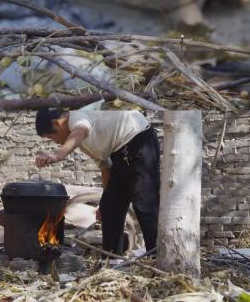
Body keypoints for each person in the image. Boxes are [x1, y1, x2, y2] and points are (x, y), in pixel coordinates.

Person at [34, 109, 160, 255]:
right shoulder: (84, 143)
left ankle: (156, 257)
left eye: (52, 136)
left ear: (57, 123)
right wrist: (104, 200)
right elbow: (106, 166)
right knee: (109, 208)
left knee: (145, 205)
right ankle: (112, 260)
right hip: (120, 154)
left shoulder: (75, 117)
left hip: (138, 142)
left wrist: (58, 155)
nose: (55, 141)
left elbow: (81, 129)